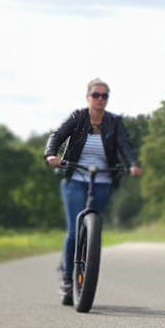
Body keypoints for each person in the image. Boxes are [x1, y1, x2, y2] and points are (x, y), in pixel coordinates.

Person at [44, 78, 143, 304]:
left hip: (103, 179)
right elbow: (57, 136)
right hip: (75, 177)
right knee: (74, 228)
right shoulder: (78, 117)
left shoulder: (114, 122)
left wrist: (133, 164)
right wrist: (51, 154)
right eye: (96, 95)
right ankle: (68, 277)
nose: (100, 99)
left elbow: (125, 145)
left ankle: (86, 267)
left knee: (94, 226)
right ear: (88, 97)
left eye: (104, 95)